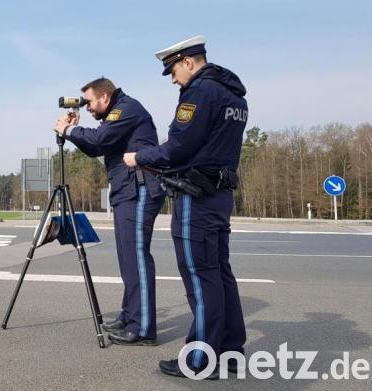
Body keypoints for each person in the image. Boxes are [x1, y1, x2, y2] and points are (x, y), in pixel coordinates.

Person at [123, 35, 248, 378]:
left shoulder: (200, 91)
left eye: (174, 72)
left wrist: (139, 157)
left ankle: (200, 360)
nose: (174, 80)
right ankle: (230, 353)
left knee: (200, 277)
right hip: (220, 194)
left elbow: (178, 147)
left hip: (197, 196)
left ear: (188, 62)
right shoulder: (234, 94)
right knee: (220, 274)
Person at [54, 77, 165, 346]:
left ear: (105, 96)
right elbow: (96, 148)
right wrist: (72, 132)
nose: (87, 107)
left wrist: (69, 130)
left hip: (138, 191)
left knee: (136, 258)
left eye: (90, 101)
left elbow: (100, 138)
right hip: (127, 191)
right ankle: (130, 315)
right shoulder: (116, 114)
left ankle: (142, 328)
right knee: (128, 259)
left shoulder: (125, 109)